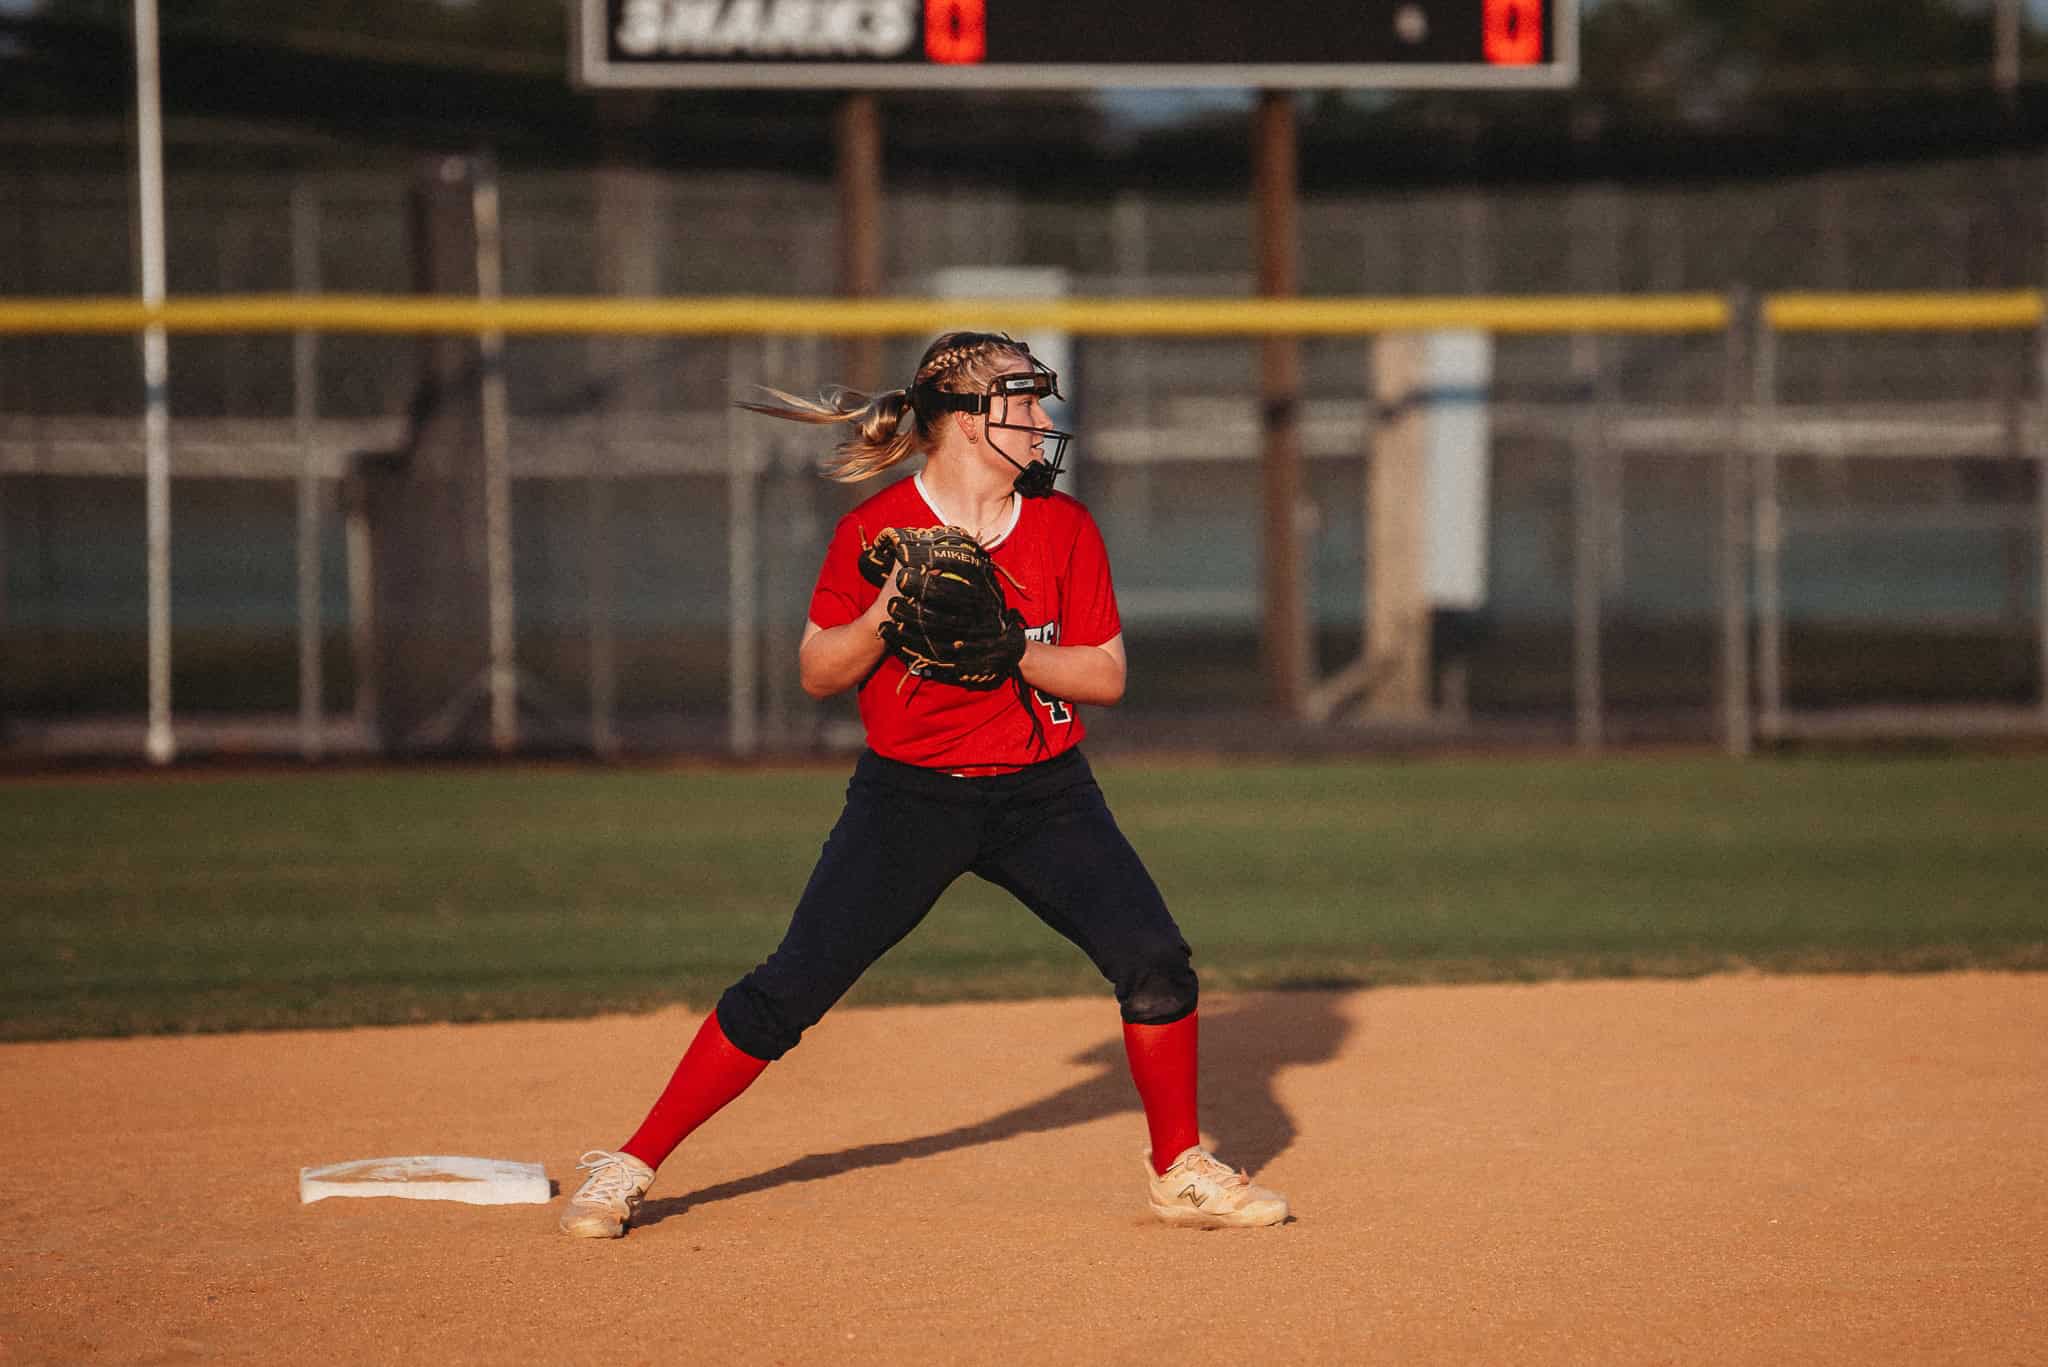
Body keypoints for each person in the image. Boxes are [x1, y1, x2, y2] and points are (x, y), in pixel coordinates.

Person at [560, 331, 1288, 1238]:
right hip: (912, 798)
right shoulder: (876, 531)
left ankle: (1179, 1170)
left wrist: (1011, 648)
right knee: (791, 988)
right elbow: (820, 671)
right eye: (1023, 401)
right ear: (962, 420)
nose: (1043, 418)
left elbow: (1103, 675)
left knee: (1155, 960)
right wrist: (886, 611)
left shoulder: (1064, 526)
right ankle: (630, 1163)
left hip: (1044, 795)